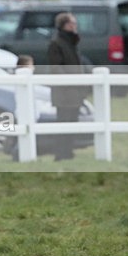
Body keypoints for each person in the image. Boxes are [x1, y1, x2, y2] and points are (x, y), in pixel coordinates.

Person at [47, 12, 86, 161]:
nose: (75, 26)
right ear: (64, 25)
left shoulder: (72, 43)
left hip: (75, 91)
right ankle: (61, 154)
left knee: (73, 123)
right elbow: (56, 68)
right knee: (64, 123)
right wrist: (72, 81)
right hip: (64, 93)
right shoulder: (56, 44)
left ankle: (69, 153)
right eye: (72, 23)